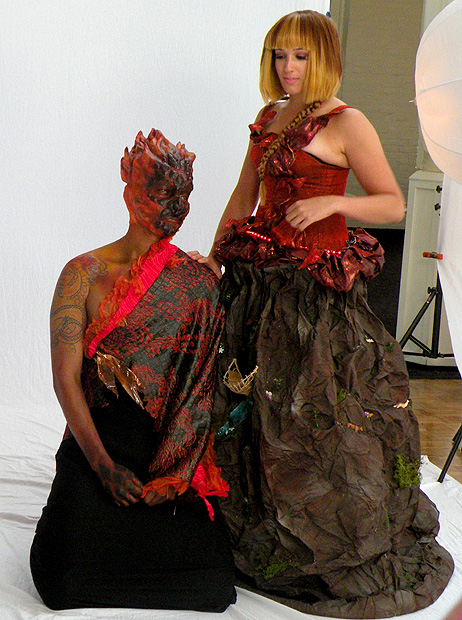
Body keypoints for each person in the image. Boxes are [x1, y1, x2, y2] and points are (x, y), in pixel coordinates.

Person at [190, 10, 454, 618]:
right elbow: (243, 197)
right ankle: (262, 526)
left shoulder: (347, 121)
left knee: (314, 415)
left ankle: (328, 534)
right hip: (261, 283)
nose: (288, 67)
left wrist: (333, 200)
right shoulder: (268, 118)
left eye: (301, 56)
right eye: (280, 55)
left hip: (315, 292)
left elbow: (393, 205)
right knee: (255, 410)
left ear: (325, 60)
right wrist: (214, 255)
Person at [30, 129, 236, 612]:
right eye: (163, 194)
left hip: (165, 450)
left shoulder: (196, 282)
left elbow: (199, 391)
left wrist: (176, 474)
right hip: (97, 441)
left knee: (213, 585)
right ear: (130, 191)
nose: (176, 208)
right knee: (63, 579)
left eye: (184, 196)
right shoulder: (83, 273)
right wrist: (103, 468)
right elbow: (66, 380)